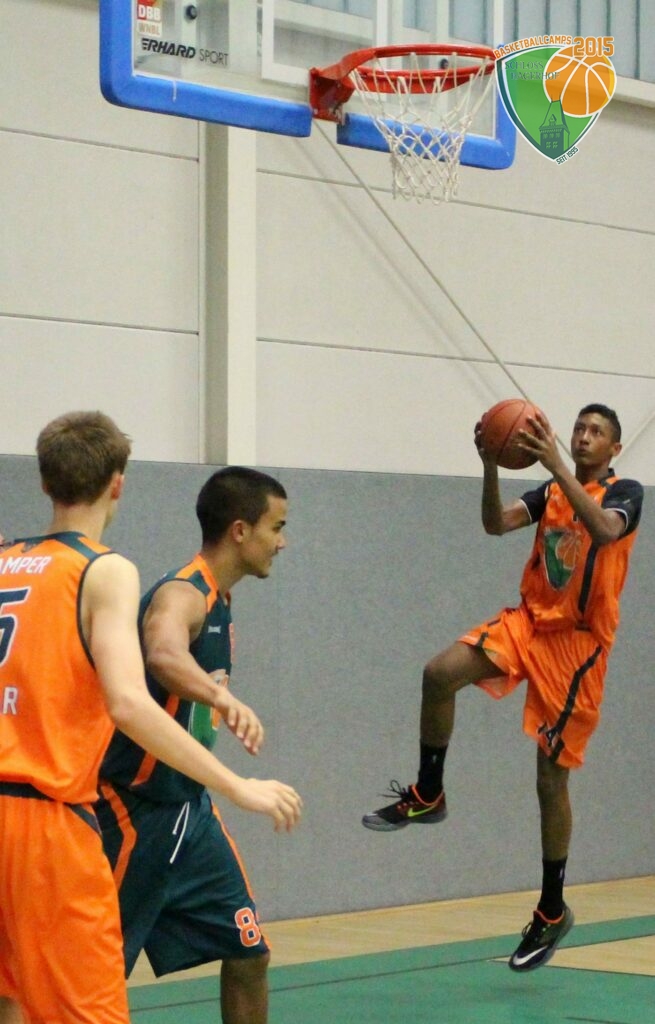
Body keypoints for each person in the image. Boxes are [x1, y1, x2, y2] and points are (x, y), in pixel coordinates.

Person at [0, 414, 301, 1024]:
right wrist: (238, 784)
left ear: (45, 481)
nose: (282, 540)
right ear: (118, 483)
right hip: (60, 817)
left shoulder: (6, 560)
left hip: (35, 806)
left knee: (13, 991)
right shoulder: (105, 569)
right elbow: (132, 699)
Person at [362, 403, 643, 972]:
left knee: (549, 779)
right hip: (529, 622)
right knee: (439, 673)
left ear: (614, 449)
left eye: (596, 433)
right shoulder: (550, 491)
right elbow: (495, 524)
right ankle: (429, 792)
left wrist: (557, 466)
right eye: (580, 428)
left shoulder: (625, 492)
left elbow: (605, 530)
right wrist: (491, 463)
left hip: (578, 647)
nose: (584, 437)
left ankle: (551, 909)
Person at [95, 467, 292, 1024]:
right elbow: (162, 653)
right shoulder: (184, 592)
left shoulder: (221, 598)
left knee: (248, 951)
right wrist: (220, 697)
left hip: (189, 811)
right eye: (276, 527)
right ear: (240, 530)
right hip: (131, 811)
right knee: (95, 972)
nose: (282, 542)